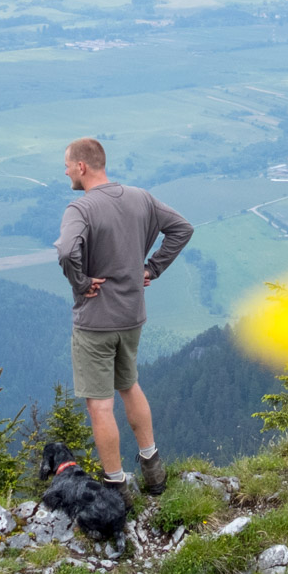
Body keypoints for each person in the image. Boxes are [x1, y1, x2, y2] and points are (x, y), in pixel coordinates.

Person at [53, 137, 193, 495]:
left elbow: (68, 251)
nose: (66, 170)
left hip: (96, 320)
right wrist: (152, 269)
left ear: (82, 166)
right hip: (132, 315)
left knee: (100, 404)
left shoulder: (80, 209)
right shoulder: (140, 198)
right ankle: (153, 469)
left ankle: (115, 485)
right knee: (129, 386)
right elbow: (182, 228)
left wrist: (81, 283)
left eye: (68, 164)